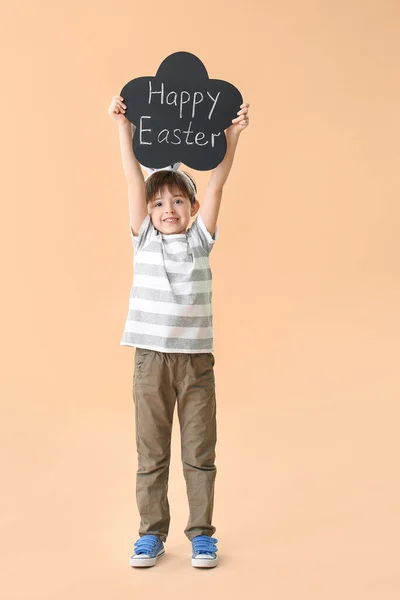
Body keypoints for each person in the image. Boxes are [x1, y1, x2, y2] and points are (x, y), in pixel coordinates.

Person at [108, 94, 250, 568]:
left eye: (177, 201)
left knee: (199, 453)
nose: (168, 208)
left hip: (196, 362)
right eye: (159, 202)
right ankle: (150, 534)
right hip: (150, 360)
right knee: (151, 454)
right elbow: (133, 177)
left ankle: (202, 534)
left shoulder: (199, 240)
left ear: (190, 207)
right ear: (148, 211)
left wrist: (231, 138)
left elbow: (216, 186)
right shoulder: (143, 238)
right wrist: (122, 129)